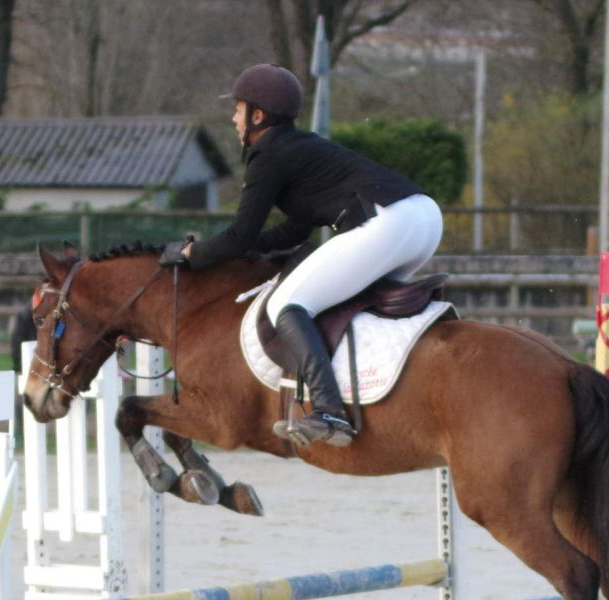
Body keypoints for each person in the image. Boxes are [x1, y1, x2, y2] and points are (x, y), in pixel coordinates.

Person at [161, 63, 444, 447]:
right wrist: (229, 252)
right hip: (422, 217)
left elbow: (240, 236)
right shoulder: (299, 147)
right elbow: (293, 231)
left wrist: (193, 254)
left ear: (257, 116)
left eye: (238, 109)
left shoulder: (268, 154)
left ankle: (329, 410)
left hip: (389, 221)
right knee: (348, 304)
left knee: (287, 306)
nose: (233, 118)